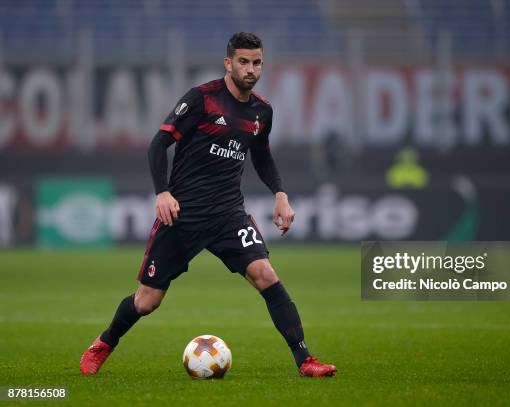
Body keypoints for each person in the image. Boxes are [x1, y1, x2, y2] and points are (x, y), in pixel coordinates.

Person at [80, 32, 336, 378]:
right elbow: (158, 145)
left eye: (257, 62)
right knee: (146, 302)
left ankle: (306, 361)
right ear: (229, 63)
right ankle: (104, 343)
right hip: (182, 215)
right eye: (243, 62)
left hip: (228, 215)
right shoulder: (202, 99)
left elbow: (261, 156)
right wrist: (162, 192)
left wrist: (280, 193)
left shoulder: (262, 111)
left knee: (266, 275)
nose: (251, 69)